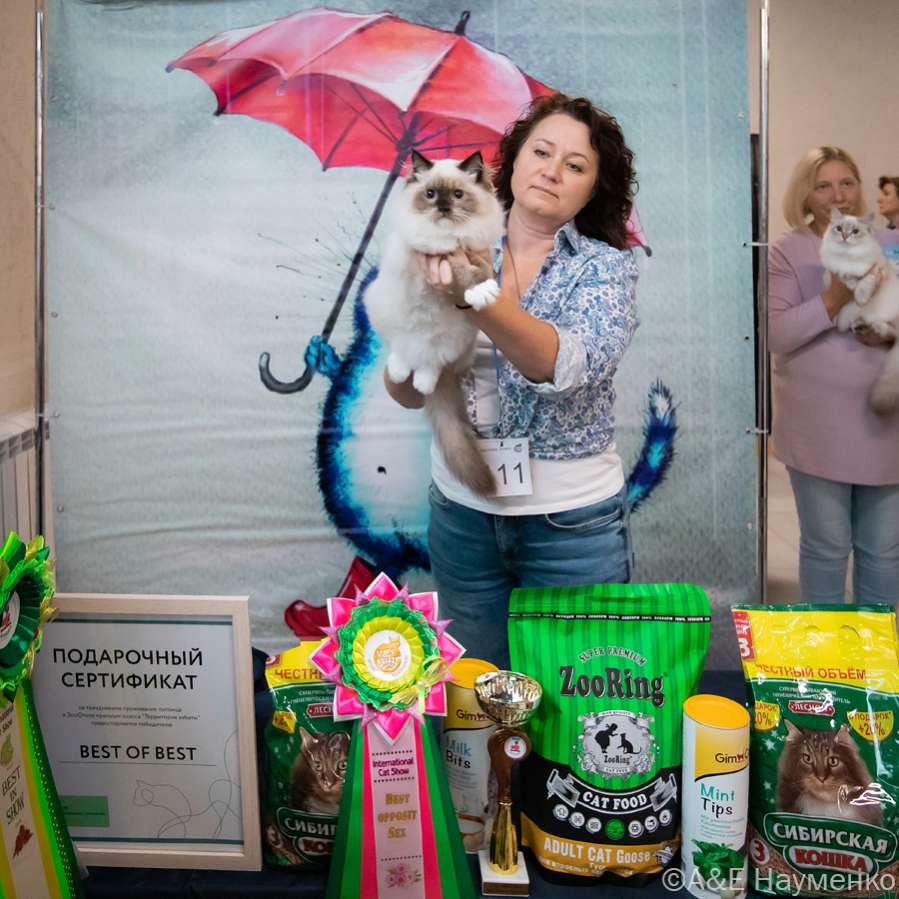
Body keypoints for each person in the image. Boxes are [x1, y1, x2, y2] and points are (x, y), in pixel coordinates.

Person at [384, 94, 639, 668]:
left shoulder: (605, 266)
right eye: (541, 153)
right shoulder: (448, 242)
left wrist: (474, 297)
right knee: (476, 694)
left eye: (575, 165)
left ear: (593, 188)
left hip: (572, 525)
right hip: (463, 514)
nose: (552, 170)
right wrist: (405, 360)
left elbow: (564, 366)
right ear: (513, 162)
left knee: (578, 696)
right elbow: (405, 392)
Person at [768, 146, 899, 604]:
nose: (837, 194)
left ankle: (875, 649)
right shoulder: (789, 251)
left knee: (884, 552)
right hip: (818, 429)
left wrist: (889, 334)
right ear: (804, 194)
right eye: (822, 186)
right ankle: (824, 649)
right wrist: (835, 299)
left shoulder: (889, 244)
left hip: (885, 424)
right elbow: (777, 333)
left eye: (846, 183)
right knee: (826, 548)